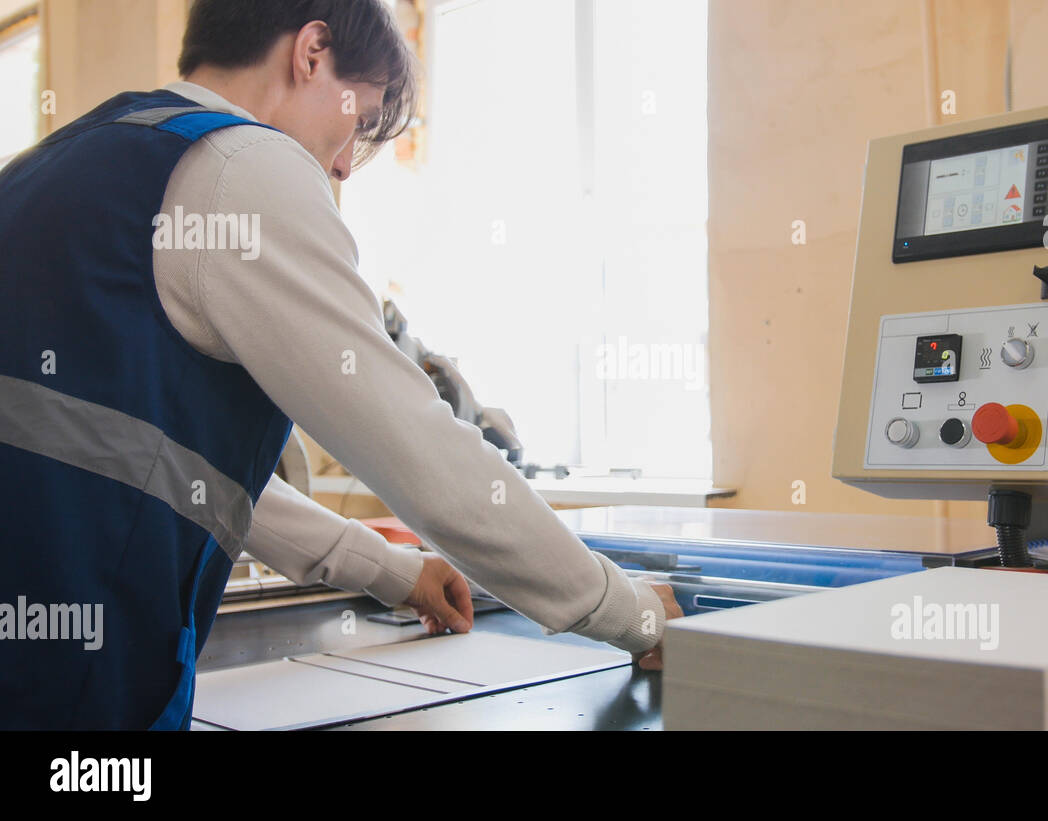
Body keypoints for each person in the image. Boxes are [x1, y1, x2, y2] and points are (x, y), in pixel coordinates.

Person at [0, 0, 682, 731]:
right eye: (360, 121)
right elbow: (422, 450)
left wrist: (392, 570)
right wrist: (636, 613)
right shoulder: (241, 167)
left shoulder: (47, 167)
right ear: (312, 52)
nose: (344, 164)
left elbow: (159, 473)